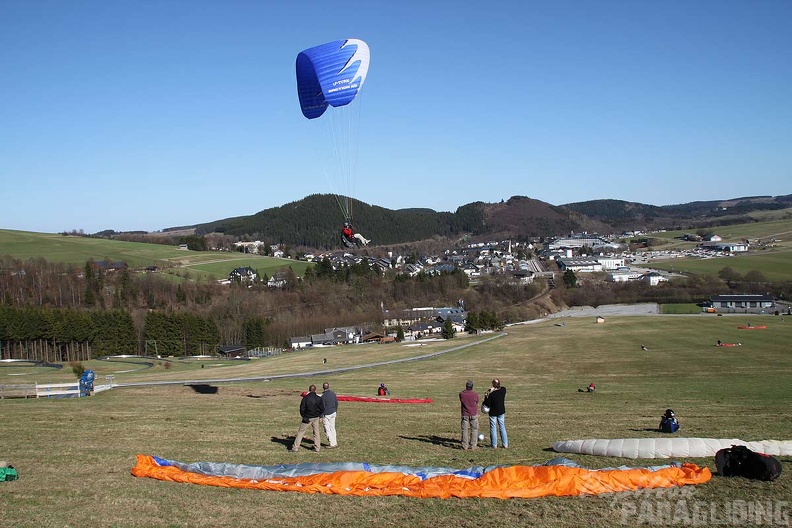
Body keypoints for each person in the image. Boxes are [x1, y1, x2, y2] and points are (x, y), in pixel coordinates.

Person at [291, 384, 325, 452]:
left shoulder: (305, 398)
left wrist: (304, 416)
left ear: (309, 390)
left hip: (307, 418)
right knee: (316, 432)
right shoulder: (318, 398)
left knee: (300, 432)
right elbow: (322, 409)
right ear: (315, 390)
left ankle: (295, 448)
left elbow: (302, 409)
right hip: (315, 417)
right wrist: (319, 415)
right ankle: (317, 447)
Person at [482, 378, 508, 449]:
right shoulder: (503, 390)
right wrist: (495, 388)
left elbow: (487, 404)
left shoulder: (491, 395)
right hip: (501, 411)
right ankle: (505, 444)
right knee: (502, 427)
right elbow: (502, 387)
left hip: (493, 413)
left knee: (493, 428)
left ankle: (494, 445)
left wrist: (486, 396)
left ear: (493, 385)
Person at [459, 380, 479, 450]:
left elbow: (461, 400)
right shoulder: (475, 394)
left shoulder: (462, 394)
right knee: (474, 430)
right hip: (473, 413)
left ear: (466, 386)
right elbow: (477, 401)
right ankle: (473, 445)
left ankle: (465, 445)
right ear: (472, 387)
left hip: (465, 414)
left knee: (464, 430)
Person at [321, 382, 339, 449]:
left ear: (323, 387)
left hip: (327, 414)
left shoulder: (323, 396)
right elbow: (336, 403)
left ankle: (331, 443)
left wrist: (321, 416)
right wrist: (335, 411)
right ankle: (335, 442)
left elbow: (322, 407)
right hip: (333, 412)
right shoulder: (333, 394)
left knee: (327, 429)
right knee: (332, 428)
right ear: (329, 387)